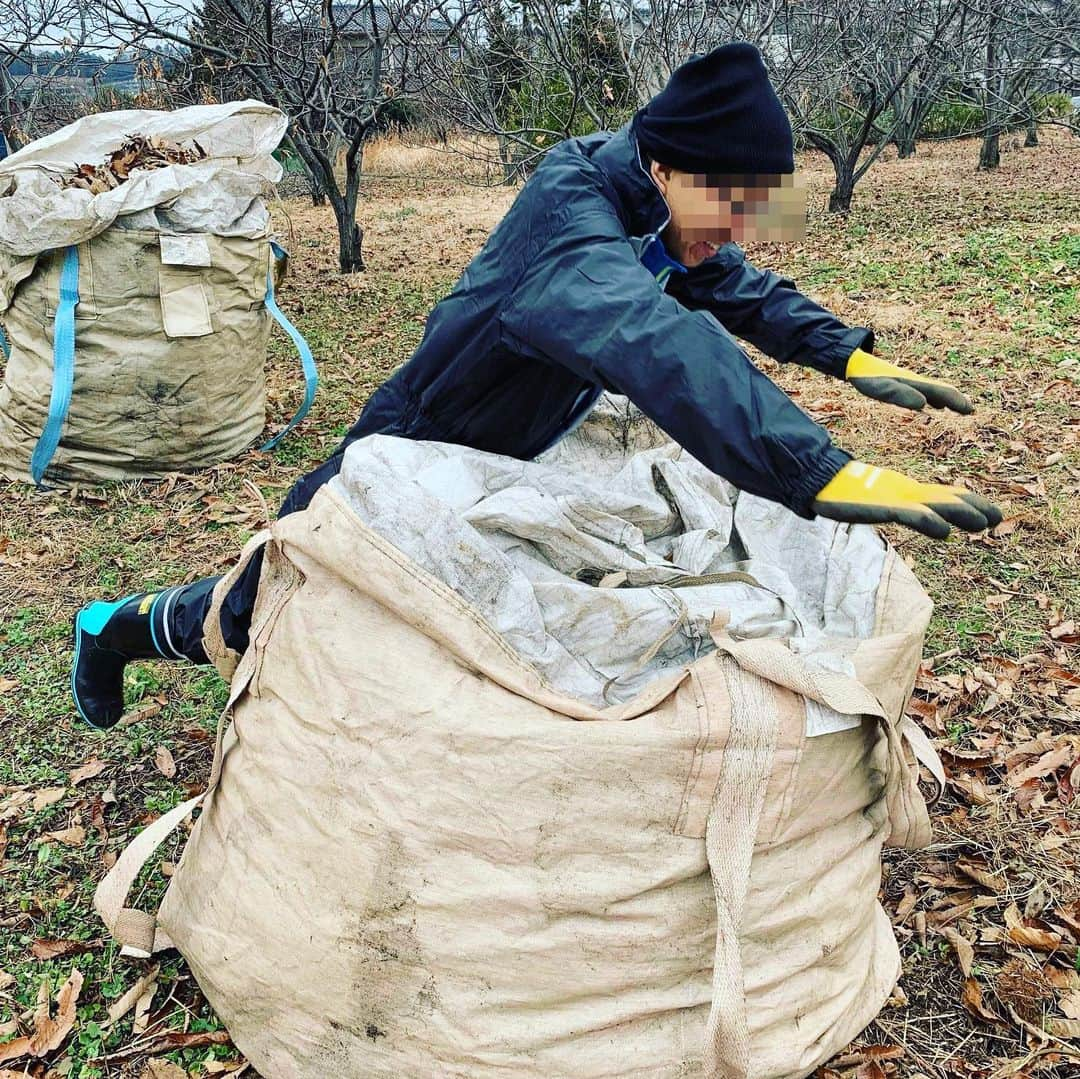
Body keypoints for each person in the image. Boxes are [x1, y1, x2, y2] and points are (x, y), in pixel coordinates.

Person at [71, 42, 1001, 729]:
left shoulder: (658, 207)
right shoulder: (572, 222)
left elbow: (730, 286)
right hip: (416, 448)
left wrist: (850, 355)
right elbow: (657, 341)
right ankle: (117, 627)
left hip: (510, 461)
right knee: (275, 593)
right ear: (667, 166)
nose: (741, 229)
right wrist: (818, 469)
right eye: (731, 203)